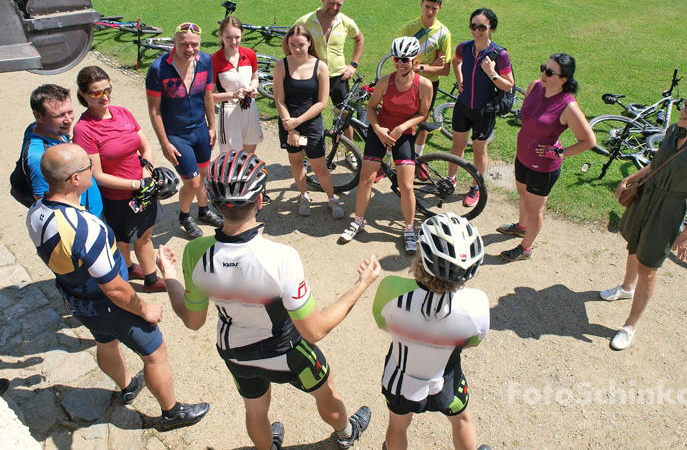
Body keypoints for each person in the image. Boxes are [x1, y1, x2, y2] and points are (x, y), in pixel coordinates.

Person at [159, 149, 378, 449]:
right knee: (326, 393)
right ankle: (346, 434)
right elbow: (315, 330)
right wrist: (361, 284)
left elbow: (193, 321)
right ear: (260, 201)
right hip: (285, 350)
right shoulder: (280, 258)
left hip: (234, 350)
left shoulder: (195, 252)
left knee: (256, 410)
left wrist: (170, 275)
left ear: (214, 203)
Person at [26, 143, 209, 431]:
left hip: (77, 300)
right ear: (75, 179)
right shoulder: (86, 228)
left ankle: (127, 386)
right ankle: (171, 413)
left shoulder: (36, 211)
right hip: (109, 305)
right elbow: (115, 289)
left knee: (105, 342)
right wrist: (143, 307)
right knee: (155, 353)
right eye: (88, 166)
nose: (92, 169)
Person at [600, 89, 687, 350]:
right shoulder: (675, 131)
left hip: (669, 208)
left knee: (649, 268)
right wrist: (631, 178)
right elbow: (657, 164)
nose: (683, 111)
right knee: (634, 243)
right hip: (646, 197)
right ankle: (626, 287)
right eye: (684, 105)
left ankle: (630, 325)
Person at [372, 213, 490, 450]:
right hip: (446, 378)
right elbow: (473, 341)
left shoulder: (391, 289)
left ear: (421, 259)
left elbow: (383, 323)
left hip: (400, 379)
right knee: (462, 421)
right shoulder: (476, 304)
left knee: (397, 426)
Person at [72, 66, 165, 293]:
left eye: (107, 90)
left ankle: (142, 274)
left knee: (143, 235)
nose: (104, 97)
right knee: (125, 238)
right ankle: (140, 274)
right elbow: (97, 175)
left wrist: (146, 173)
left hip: (141, 188)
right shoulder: (84, 129)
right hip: (116, 196)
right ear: (83, 95)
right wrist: (137, 185)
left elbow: (145, 147)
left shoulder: (122, 113)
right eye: (96, 93)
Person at [497, 54, 595, 261]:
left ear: (563, 79)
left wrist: (560, 153)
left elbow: (589, 140)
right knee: (523, 197)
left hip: (543, 166)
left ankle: (525, 248)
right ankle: (521, 227)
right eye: (543, 68)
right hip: (522, 156)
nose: (543, 74)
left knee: (534, 209)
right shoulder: (534, 86)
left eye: (550, 72)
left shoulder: (568, 107)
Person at [339, 37, 432, 253]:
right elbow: (371, 109)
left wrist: (401, 128)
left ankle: (409, 229)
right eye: (396, 59)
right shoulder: (385, 81)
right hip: (380, 131)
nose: (400, 64)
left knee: (407, 186)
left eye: (405, 60)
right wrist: (379, 129)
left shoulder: (424, 85)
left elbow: (422, 114)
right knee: (365, 180)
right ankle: (358, 221)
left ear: (414, 59)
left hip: (403, 133)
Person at [146, 22, 224, 238]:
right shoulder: (158, 68)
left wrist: (211, 126)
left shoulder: (205, 61)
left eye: (194, 44)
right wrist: (164, 143)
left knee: (204, 174)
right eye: (184, 44)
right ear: (174, 43)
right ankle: (184, 216)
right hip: (176, 135)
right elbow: (154, 110)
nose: (189, 49)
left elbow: (208, 95)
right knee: (192, 181)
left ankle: (203, 209)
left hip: (200, 131)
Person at [273, 24, 343, 219]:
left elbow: (322, 102)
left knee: (319, 166)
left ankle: (331, 198)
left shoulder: (320, 66)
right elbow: (279, 99)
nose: (296, 49)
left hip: (311, 120)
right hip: (288, 119)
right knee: (296, 162)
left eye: (301, 44)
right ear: (287, 44)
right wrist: (290, 127)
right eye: (292, 44)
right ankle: (304, 195)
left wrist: (298, 122)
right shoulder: (281, 65)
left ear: (309, 43)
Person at [450, 8, 514, 207]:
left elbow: (509, 84)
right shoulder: (464, 47)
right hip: (462, 106)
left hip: (484, 111)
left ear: (491, 29)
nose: (476, 31)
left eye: (482, 27)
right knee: (457, 146)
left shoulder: (499, 54)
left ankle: (475, 186)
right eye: (473, 26)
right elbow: (455, 61)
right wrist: (459, 79)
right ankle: (450, 180)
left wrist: (492, 73)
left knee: (479, 152)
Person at [295, 0, 365, 163]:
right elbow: (287, 42)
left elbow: (359, 39)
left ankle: (349, 152)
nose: (334, 7)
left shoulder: (345, 21)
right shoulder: (305, 21)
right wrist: (297, 64)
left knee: (344, 115)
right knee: (305, 116)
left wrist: (353, 64)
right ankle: (303, 152)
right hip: (313, 77)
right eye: (331, 2)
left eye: (339, 5)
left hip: (338, 77)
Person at [18, 84, 103, 217]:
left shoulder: (48, 129)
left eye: (70, 112)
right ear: (38, 116)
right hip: (83, 221)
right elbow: (49, 207)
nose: (68, 120)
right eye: (59, 115)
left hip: (93, 208)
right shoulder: (39, 157)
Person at [401, 0, 451, 159]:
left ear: (440, 8)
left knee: (424, 122)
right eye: (427, 7)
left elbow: (445, 70)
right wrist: (430, 65)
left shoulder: (444, 33)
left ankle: (418, 158)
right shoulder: (409, 28)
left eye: (434, 8)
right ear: (421, 4)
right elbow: (404, 63)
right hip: (408, 81)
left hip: (430, 85)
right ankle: (390, 160)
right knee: (402, 121)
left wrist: (421, 67)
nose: (430, 12)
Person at [211, 16, 264, 155]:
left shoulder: (250, 54)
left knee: (248, 157)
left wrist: (253, 88)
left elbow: (255, 78)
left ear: (242, 35)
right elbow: (209, 96)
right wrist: (232, 95)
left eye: (237, 37)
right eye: (228, 37)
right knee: (231, 159)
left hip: (249, 107)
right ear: (220, 35)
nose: (233, 42)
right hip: (229, 111)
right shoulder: (214, 60)